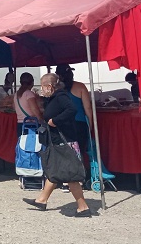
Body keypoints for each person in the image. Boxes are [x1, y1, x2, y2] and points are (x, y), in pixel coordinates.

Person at [23, 73, 92, 217]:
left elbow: (72, 110)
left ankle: (83, 207)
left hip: (66, 140)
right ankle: (42, 200)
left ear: (49, 86)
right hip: (58, 140)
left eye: (42, 86)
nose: (42, 89)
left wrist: (55, 120)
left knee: (69, 174)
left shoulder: (61, 96)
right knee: (55, 170)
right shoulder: (54, 97)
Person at [55, 64, 93, 181]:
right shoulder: (80, 87)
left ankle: (65, 179)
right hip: (79, 123)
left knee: (64, 152)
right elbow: (88, 108)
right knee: (79, 151)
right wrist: (90, 124)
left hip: (63, 124)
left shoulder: (56, 89)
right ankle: (79, 178)